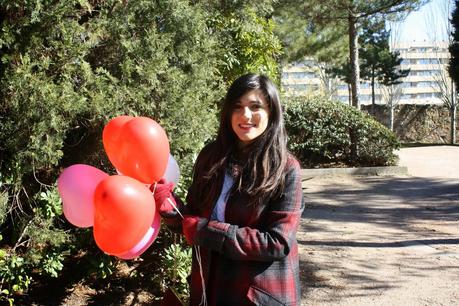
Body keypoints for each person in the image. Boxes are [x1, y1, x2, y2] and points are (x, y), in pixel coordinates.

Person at [153, 73, 305, 306]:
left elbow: (278, 242)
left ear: (271, 112)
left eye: (256, 107)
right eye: (237, 107)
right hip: (209, 289)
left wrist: (207, 231)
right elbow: (192, 220)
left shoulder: (285, 168)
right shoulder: (210, 157)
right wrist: (168, 205)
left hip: (255, 295)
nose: (245, 115)